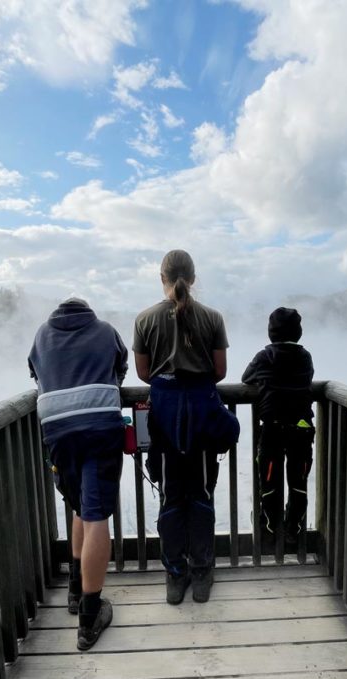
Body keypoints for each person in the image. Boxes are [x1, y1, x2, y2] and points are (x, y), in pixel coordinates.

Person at [133, 249, 237, 604]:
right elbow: (220, 371)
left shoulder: (144, 320)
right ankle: (203, 570)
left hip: (164, 418)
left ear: (161, 278)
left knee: (171, 497)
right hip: (203, 418)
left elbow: (144, 374)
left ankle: (175, 574)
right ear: (192, 278)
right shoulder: (212, 317)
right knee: (201, 494)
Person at [28, 297, 128, 651]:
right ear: (89, 313)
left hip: (56, 429)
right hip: (100, 425)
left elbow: (35, 374)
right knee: (96, 513)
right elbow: (120, 368)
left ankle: (74, 588)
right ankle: (89, 617)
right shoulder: (105, 331)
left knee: (77, 506)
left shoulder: (42, 335)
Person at [241, 307, 315, 554]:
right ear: (298, 332)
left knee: (269, 483)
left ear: (271, 333)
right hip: (301, 430)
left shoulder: (265, 357)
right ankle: (293, 531)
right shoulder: (305, 357)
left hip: (272, 430)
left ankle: (270, 534)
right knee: (298, 482)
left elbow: (246, 378)